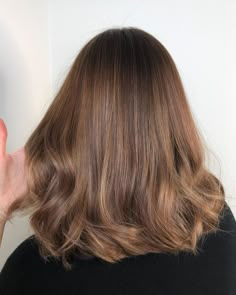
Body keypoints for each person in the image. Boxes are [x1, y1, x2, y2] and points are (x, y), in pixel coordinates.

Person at [0, 27, 236, 295]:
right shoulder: (221, 234)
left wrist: (2, 204)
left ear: (68, 128)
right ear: (173, 123)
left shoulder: (30, 274)